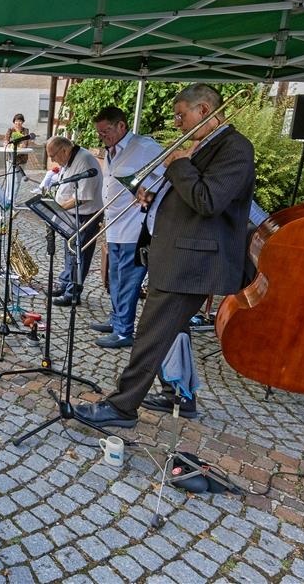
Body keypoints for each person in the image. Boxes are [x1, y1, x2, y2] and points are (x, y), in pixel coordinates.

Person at [75, 84, 255, 427]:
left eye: (181, 115)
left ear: (203, 110)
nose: (178, 124)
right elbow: (189, 197)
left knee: (151, 333)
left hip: (191, 261)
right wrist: (153, 197)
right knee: (175, 331)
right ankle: (180, 395)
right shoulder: (208, 144)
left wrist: (177, 164)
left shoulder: (235, 148)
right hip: (177, 254)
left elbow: (208, 200)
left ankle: (122, 406)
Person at [90, 106, 164, 349]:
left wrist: (148, 194)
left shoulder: (145, 148)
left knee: (128, 282)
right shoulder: (111, 150)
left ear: (122, 126)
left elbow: (167, 177)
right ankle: (116, 319)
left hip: (134, 227)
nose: (103, 137)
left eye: (107, 131)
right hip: (114, 226)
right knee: (115, 278)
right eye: (100, 133)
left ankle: (124, 332)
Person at [46, 136, 102, 308]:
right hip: (71, 214)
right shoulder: (70, 159)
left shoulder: (84, 161)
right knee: (69, 251)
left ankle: (72, 293)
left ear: (64, 150)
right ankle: (65, 284)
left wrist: (58, 208)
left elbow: (83, 198)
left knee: (79, 255)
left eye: (53, 156)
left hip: (85, 215)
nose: (53, 160)